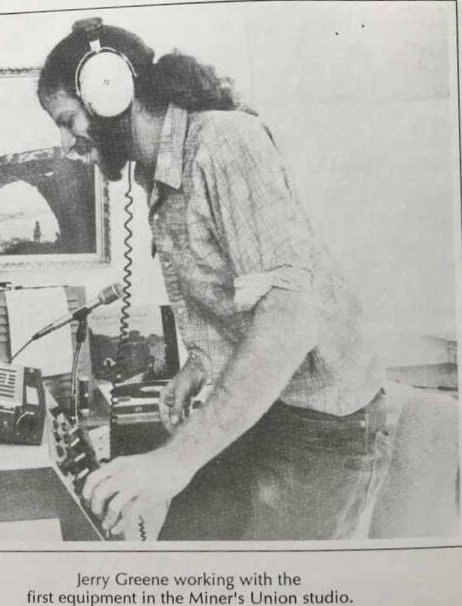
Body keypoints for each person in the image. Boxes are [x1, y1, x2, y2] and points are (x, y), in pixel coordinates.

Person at [37, 18, 391, 540]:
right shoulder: (158, 169)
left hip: (322, 427)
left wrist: (174, 462)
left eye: (69, 120)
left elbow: (289, 320)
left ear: (107, 93)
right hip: (267, 407)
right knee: (184, 545)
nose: (68, 141)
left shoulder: (225, 142)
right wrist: (201, 366)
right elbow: (234, 288)